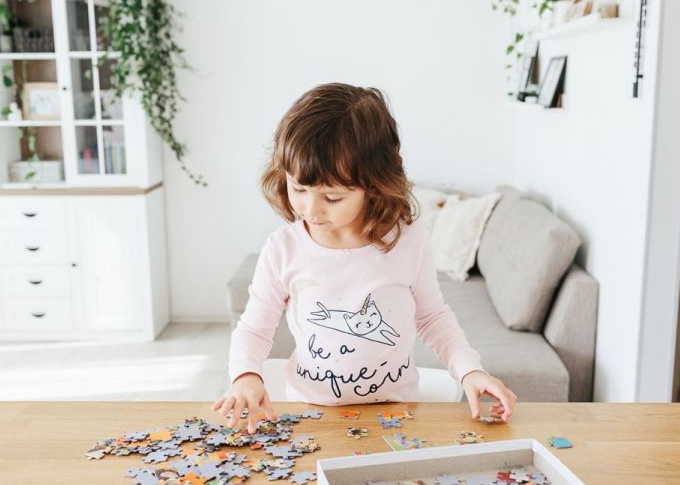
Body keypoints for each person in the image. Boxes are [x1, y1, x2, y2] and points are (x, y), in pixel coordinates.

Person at [213, 83, 516, 433]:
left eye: (333, 197)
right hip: (313, 417)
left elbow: (432, 316)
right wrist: (246, 375)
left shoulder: (408, 241)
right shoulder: (283, 248)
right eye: (299, 189)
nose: (310, 209)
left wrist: (469, 369)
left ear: (374, 186)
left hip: (396, 416)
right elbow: (254, 328)